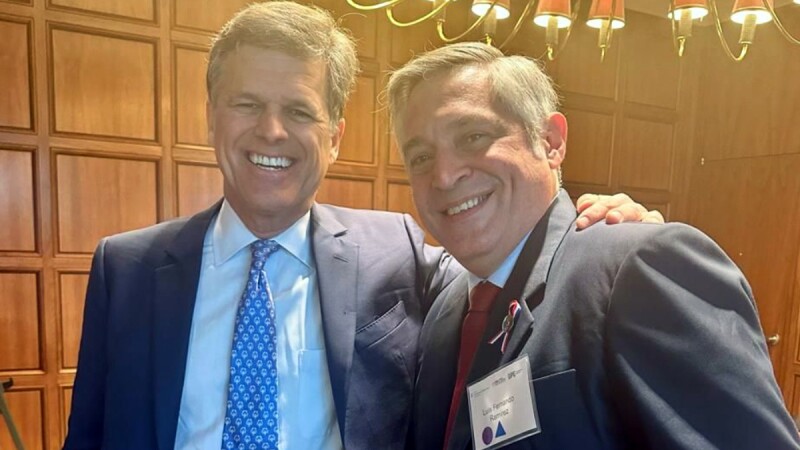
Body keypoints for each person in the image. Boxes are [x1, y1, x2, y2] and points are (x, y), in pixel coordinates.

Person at [63, 3, 660, 450]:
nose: (272, 131)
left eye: (299, 110)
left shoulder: (397, 250)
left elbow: (514, 263)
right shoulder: (127, 268)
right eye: (247, 104)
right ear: (212, 116)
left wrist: (605, 225)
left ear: (335, 136)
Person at [387, 42, 800, 450]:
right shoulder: (444, 311)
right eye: (421, 158)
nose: (444, 175)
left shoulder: (639, 269)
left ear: (550, 141)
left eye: (474, 136)